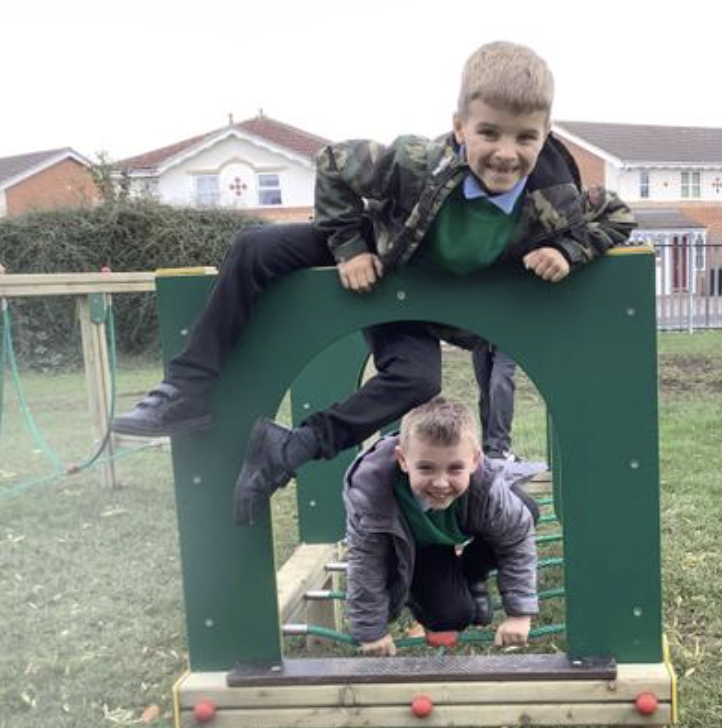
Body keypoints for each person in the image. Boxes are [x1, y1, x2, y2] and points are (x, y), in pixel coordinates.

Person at [112, 41, 636, 526]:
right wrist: (349, 246)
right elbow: (335, 162)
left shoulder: (555, 198)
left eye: (526, 137)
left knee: (416, 379)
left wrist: (567, 250)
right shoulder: (416, 165)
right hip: (386, 253)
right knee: (255, 247)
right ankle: (186, 389)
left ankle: (291, 448)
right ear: (460, 128)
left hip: (426, 300)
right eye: (489, 133)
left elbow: (616, 216)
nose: (506, 153)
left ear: (546, 134)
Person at [343, 397, 542, 656]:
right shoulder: (373, 493)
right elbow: (366, 561)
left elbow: (516, 539)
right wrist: (371, 630)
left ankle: (471, 571)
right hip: (415, 549)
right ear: (403, 460)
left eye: (455, 468)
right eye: (425, 468)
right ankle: (423, 587)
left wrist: (519, 614)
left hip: (462, 524)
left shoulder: (484, 486)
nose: (440, 482)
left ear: (474, 461)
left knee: (525, 510)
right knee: (452, 615)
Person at [470, 341, 518, 460]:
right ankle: (488, 449)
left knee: (500, 384)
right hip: (479, 338)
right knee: (486, 394)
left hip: (508, 335)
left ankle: (499, 448)